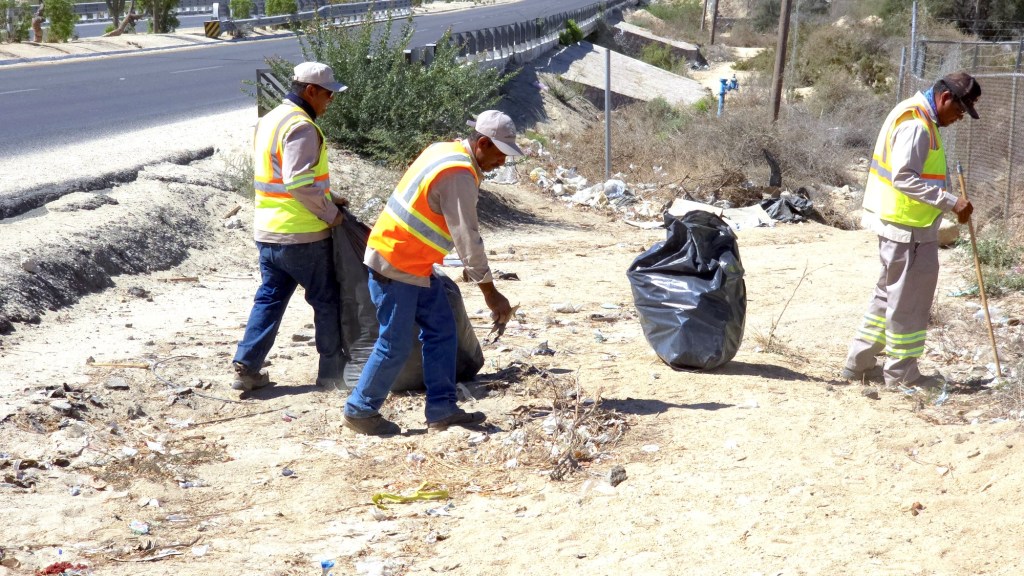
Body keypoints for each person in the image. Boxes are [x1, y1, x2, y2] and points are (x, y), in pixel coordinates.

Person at [342, 110, 522, 435]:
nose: (502, 163)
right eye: (500, 154)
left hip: (415, 265)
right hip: (396, 263)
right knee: (393, 344)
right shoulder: (458, 174)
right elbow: (468, 238)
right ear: (482, 143)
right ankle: (360, 410)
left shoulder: (445, 150)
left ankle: (441, 409)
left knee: (442, 329)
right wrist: (491, 293)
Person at [842, 71, 980, 388]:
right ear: (946, 98)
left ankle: (860, 364)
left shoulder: (913, 113)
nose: (960, 118)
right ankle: (902, 374)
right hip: (910, 229)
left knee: (886, 296)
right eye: (960, 110)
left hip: (902, 224)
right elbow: (904, 177)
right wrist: (950, 202)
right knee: (909, 301)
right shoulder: (917, 125)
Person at [231, 62, 350, 392]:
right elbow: (297, 182)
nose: (330, 101)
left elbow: (279, 176)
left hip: (268, 233)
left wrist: (331, 196)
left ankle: (246, 368)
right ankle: (331, 375)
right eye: (328, 94)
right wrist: (330, 213)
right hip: (303, 235)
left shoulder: (269, 119)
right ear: (310, 91)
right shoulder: (302, 126)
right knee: (326, 300)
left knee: (269, 299)